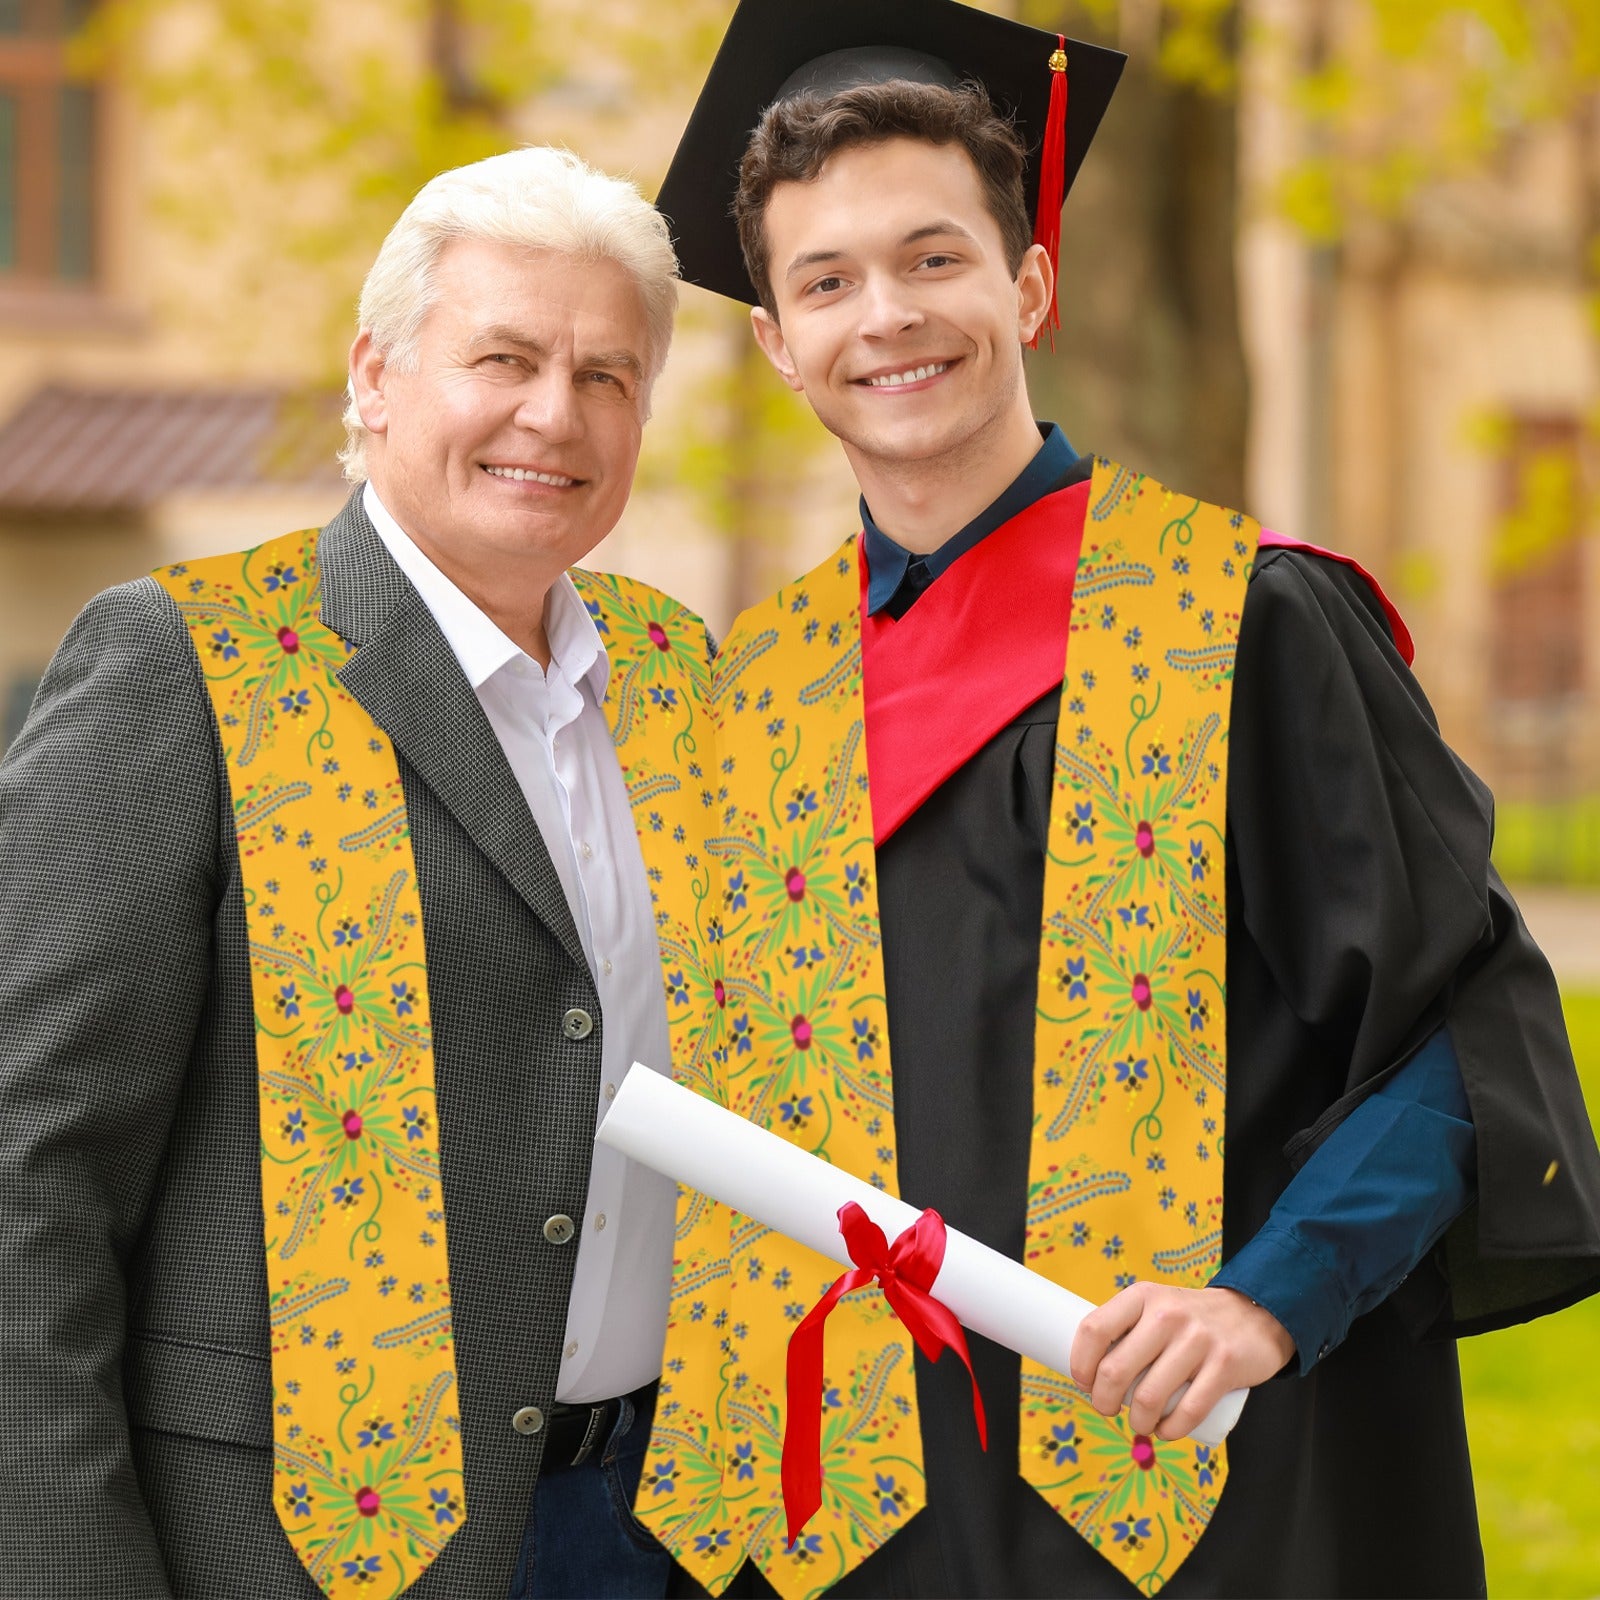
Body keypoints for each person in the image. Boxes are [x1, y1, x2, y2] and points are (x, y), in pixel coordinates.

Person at [620, 3, 1600, 1597]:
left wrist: (1267, 1298)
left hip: (1202, 1493)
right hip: (855, 1523)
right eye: (828, 281)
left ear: (1030, 282)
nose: (888, 316)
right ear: (778, 343)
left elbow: (1461, 1035)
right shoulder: (755, 697)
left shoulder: (1245, 625)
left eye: (935, 258)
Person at [0, 147, 710, 1600]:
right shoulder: (187, 664)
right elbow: (28, 1175)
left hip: (652, 1529)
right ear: (375, 377)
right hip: (293, 1551)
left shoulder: (678, 675)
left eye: (606, 375)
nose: (552, 415)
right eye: (502, 357)